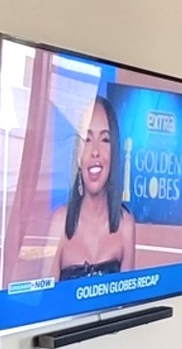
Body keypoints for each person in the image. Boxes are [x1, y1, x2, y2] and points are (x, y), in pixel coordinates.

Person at [50, 95, 136, 280]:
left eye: (105, 140)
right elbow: (46, 304)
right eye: (87, 139)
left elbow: (127, 306)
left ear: (115, 152)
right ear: (78, 155)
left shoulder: (126, 225)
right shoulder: (59, 223)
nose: (95, 151)